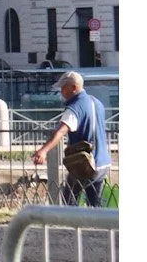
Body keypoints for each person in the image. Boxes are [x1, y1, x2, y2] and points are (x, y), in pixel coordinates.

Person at [32, 70, 111, 206]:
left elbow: (60, 132)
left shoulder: (75, 108)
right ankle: (98, 225)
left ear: (74, 88)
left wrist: (43, 151)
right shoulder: (97, 103)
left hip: (86, 163)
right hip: (103, 162)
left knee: (69, 198)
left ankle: (73, 225)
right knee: (94, 201)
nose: (61, 91)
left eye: (64, 87)